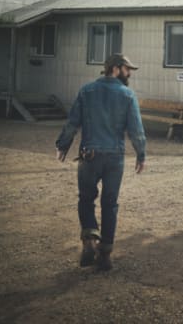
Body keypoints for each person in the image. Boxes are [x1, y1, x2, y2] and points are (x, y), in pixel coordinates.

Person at [56, 53, 147, 271]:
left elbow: (72, 123)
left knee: (86, 199)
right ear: (115, 68)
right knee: (110, 203)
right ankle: (105, 255)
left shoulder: (86, 91)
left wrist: (62, 146)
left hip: (90, 155)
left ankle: (89, 240)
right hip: (115, 158)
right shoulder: (127, 95)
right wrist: (141, 154)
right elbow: (136, 130)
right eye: (127, 69)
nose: (129, 74)